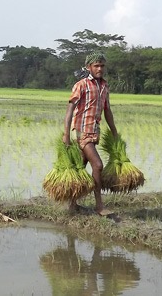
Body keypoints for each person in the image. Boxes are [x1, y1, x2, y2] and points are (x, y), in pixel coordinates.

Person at [63, 52, 118, 216]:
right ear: (89, 67)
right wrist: (66, 134)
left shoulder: (104, 86)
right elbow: (70, 111)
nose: (100, 68)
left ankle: (72, 205)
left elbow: (107, 110)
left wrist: (114, 131)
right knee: (98, 165)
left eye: (102, 66)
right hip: (82, 132)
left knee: (80, 167)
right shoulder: (81, 85)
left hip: (95, 132)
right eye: (96, 66)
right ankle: (99, 206)